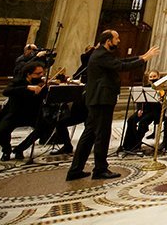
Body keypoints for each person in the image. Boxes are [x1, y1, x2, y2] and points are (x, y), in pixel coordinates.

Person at [66, 30, 159, 181]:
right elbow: (121, 66)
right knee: (102, 135)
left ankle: (75, 169)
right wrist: (144, 59)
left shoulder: (102, 54)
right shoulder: (101, 55)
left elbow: (121, 62)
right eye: (116, 38)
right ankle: (100, 169)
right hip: (101, 99)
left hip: (97, 99)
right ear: (108, 41)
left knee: (89, 134)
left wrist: (142, 57)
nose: (119, 41)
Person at [0, 61, 46, 160]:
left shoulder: (41, 83)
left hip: (32, 113)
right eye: (38, 74)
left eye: (42, 73)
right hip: (15, 113)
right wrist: (27, 87)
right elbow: (6, 91)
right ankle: (6, 150)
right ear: (28, 74)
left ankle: (20, 149)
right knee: (2, 130)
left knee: (44, 128)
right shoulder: (18, 81)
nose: (41, 76)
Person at [122, 70, 162, 152]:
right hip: (145, 110)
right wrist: (140, 109)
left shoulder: (162, 88)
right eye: (151, 77)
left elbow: (163, 103)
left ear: (159, 77)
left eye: (154, 76)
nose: (153, 78)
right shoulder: (146, 87)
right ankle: (128, 144)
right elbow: (140, 100)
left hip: (155, 111)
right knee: (131, 120)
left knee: (142, 123)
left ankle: (136, 143)